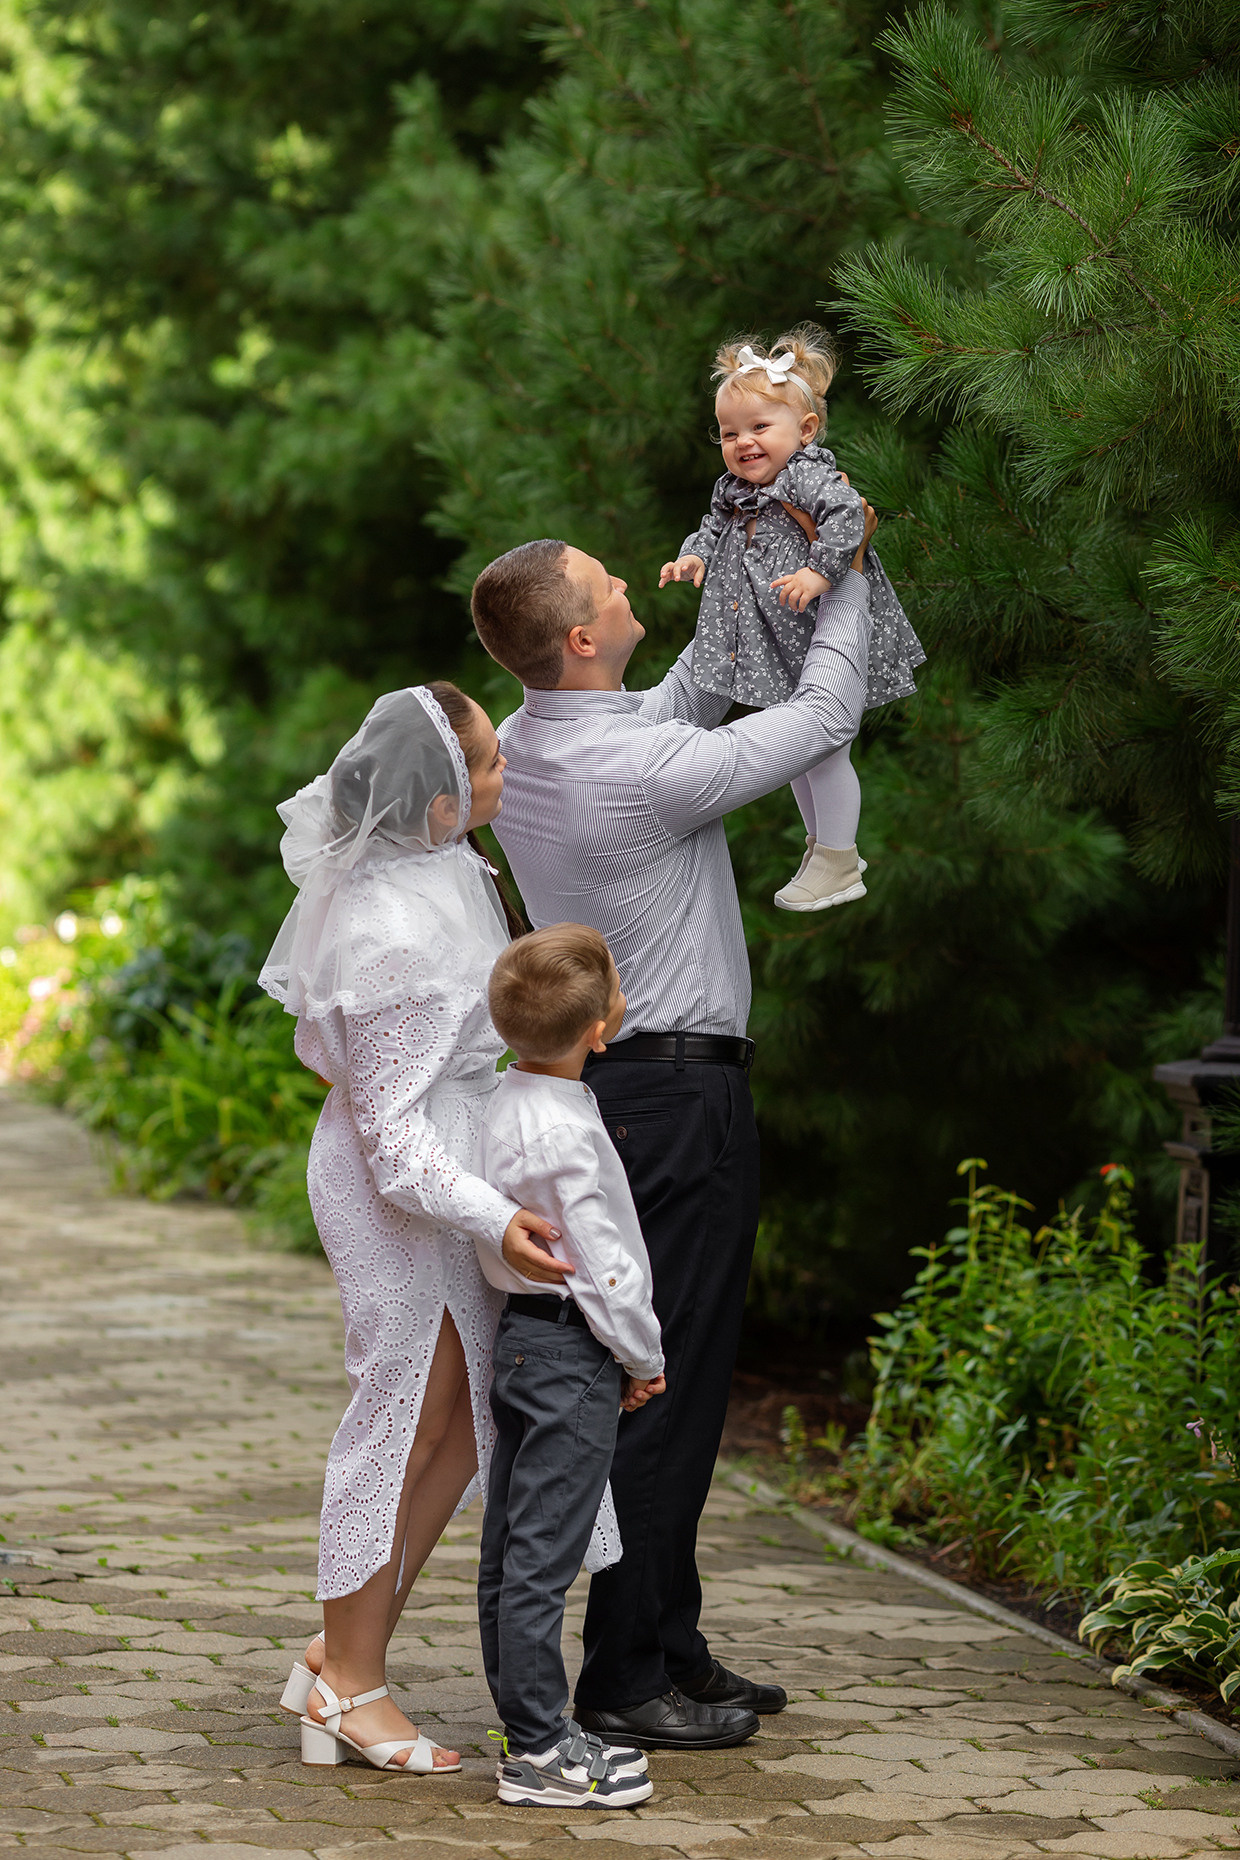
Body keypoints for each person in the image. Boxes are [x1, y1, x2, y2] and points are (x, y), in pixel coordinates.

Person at [468, 504, 877, 1750]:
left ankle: (670, 1640)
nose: (625, 582)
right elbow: (825, 714)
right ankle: (624, 1676)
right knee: (666, 1386)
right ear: (585, 639)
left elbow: (696, 680)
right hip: (676, 1100)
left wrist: (763, 547)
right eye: (606, 583)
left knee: (672, 1381)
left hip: (620, 1092)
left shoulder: (537, 745)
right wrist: (852, 575)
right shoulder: (641, 770)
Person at [256, 681, 579, 1774]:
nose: (503, 771)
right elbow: (391, 1137)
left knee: (457, 1424)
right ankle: (350, 1688)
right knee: (398, 1419)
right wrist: (501, 1213)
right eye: (488, 763)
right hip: (398, 1189)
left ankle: (342, 1652)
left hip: (452, 1168)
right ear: (440, 801)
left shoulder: (446, 864)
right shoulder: (388, 929)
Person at [473, 924, 666, 1809]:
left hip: (523, 1341)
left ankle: (530, 1727)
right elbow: (603, 1262)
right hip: (571, 1349)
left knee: (513, 1544)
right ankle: (539, 1749)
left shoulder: (506, 1100)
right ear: (599, 1028)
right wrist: (641, 1354)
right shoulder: (563, 1132)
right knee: (542, 1557)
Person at [661, 325, 924, 912]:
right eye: (730, 432)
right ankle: (820, 848)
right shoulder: (731, 487)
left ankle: (839, 856)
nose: (743, 443)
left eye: (759, 428)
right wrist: (693, 556)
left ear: (804, 431)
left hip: (812, 629)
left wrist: (820, 573)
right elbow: (711, 527)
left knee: (824, 749)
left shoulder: (806, 474)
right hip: (774, 637)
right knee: (796, 752)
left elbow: (849, 515)